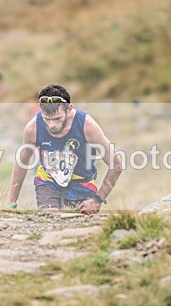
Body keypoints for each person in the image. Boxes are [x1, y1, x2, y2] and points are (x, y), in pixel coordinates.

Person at [7, 84, 123, 214]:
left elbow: (117, 164)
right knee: (51, 216)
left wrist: (97, 200)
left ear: (69, 109)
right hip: (48, 181)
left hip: (82, 183)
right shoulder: (32, 129)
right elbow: (22, 163)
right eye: (47, 119)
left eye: (57, 118)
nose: (52, 125)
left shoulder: (87, 126)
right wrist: (12, 202)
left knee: (80, 223)